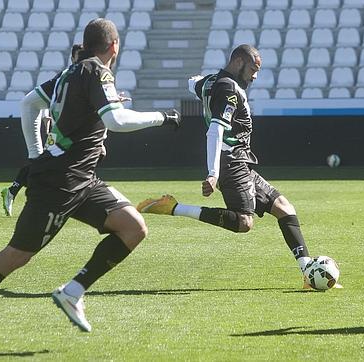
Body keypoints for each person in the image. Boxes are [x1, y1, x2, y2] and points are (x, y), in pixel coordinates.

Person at [0, 18, 181, 356]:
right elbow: (116, 120)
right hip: (61, 182)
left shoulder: (72, 72)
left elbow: (29, 104)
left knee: (134, 227)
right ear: (114, 46)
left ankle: (73, 291)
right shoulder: (97, 72)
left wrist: (36, 152)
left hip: (81, 178)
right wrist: (162, 117)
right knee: (17, 255)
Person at [138, 44, 329, 287]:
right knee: (244, 222)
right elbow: (215, 130)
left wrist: (201, 82)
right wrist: (213, 173)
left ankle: (307, 272)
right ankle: (174, 207)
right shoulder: (228, 89)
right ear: (238, 62)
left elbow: (193, 82)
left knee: (284, 207)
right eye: (252, 69)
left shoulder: (211, 83)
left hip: (241, 162)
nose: (255, 76)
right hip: (231, 163)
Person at [1, 44, 84, 216]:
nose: (82, 59)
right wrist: (49, 120)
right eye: (79, 56)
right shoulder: (68, 75)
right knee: (39, 160)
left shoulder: (79, 76)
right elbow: (55, 101)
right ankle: (32, 201)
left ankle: (13, 192)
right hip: (31, 109)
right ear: (73, 58)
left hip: (41, 110)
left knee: (41, 160)